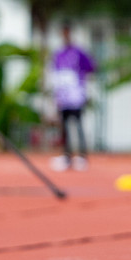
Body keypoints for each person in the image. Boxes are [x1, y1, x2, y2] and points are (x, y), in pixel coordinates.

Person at [48, 24, 95, 171]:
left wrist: (82, 86)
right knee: (65, 127)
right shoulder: (58, 54)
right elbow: (55, 75)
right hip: (63, 97)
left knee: (78, 125)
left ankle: (82, 156)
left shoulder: (79, 53)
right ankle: (67, 157)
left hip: (76, 96)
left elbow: (92, 68)